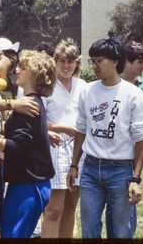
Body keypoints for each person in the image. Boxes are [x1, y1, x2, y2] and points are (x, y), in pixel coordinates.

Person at [0, 50, 57, 238]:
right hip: (28, 184)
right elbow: (25, 137)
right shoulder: (31, 102)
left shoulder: (26, 105)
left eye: (22, 66)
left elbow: (17, 147)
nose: (16, 70)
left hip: (29, 186)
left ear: (34, 73)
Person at [66, 33, 143, 238]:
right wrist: (74, 165)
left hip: (121, 171)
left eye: (99, 60)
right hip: (91, 169)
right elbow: (81, 129)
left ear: (115, 61)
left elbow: (141, 140)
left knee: (121, 231)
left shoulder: (133, 94)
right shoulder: (87, 91)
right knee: (89, 229)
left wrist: (135, 179)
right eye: (92, 60)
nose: (94, 65)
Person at [41, 38, 87, 238]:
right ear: (55, 61)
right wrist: (63, 128)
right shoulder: (47, 87)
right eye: (62, 61)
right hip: (55, 148)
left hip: (79, 151)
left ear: (77, 62)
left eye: (70, 61)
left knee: (70, 207)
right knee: (53, 209)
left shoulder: (84, 86)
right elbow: (36, 122)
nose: (66, 66)